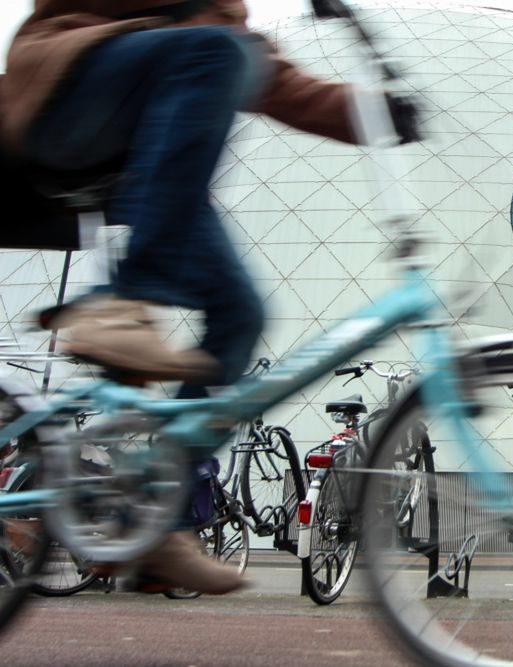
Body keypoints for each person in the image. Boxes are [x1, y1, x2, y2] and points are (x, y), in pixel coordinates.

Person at [0, 0, 416, 593]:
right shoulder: (205, 34)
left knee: (240, 313)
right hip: (66, 92)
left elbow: (281, 83)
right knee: (215, 53)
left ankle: (154, 525)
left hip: (142, 170)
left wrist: (377, 112)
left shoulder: (223, 26)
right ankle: (122, 302)